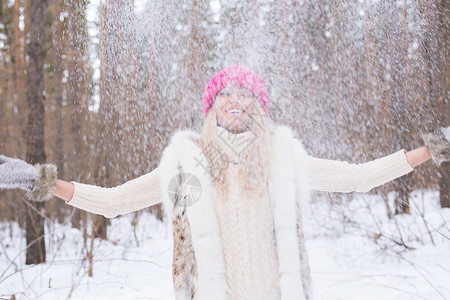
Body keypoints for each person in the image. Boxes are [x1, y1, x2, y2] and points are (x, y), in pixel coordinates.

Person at [0, 65, 448, 300]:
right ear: (211, 106)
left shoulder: (282, 158)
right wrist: (41, 181)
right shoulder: (187, 165)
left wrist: (431, 149)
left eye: (245, 93)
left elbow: (359, 178)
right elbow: (115, 202)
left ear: (259, 106)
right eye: (225, 93)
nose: (235, 100)